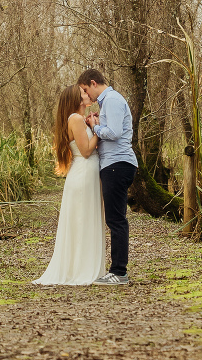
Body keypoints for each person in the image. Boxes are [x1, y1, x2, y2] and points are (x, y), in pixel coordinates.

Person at [33, 84, 106, 285]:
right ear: (76, 99)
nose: (87, 94)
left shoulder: (78, 120)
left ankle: (85, 266)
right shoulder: (74, 119)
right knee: (83, 220)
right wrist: (99, 129)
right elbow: (86, 151)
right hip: (83, 173)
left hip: (87, 173)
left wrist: (92, 126)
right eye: (83, 93)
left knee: (85, 219)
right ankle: (82, 269)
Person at [77, 68, 138, 285]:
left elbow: (113, 133)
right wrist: (97, 124)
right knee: (116, 218)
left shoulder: (111, 99)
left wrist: (95, 127)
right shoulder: (108, 101)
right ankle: (118, 271)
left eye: (85, 89)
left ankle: (119, 272)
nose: (87, 95)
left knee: (116, 219)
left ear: (93, 83)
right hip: (116, 165)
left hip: (117, 165)